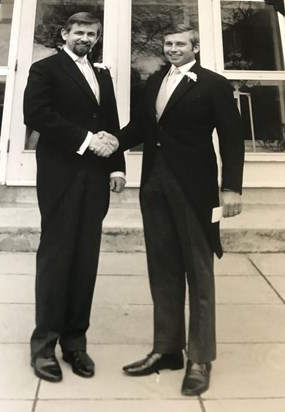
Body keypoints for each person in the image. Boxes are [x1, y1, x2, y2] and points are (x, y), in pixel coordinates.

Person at [116, 24, 244, 396]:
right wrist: (108, 143)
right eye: (168, 43)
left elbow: (233, 139)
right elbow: (141, 127)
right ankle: (167, 349)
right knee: (163, 268)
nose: (173, 49)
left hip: (195, 189)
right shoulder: (155, 81)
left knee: (199, 273)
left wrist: (232, 188)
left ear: (196, 47)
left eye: (180, 44)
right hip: (154, 185)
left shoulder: (214, 84)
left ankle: (200, 358)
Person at [23, 12, 125, 383]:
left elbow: (110, 121)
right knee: (56, 259)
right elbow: (35, 114)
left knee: (85, 260)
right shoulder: (45, 69)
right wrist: (86, 141)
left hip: (96, 178)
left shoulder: (102, 74)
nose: (86, 37)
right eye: (79, 31)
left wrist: (117, 166)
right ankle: (44, 347)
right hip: (60, 175)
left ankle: (75, 344)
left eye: (92, 33)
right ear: (65, 33)